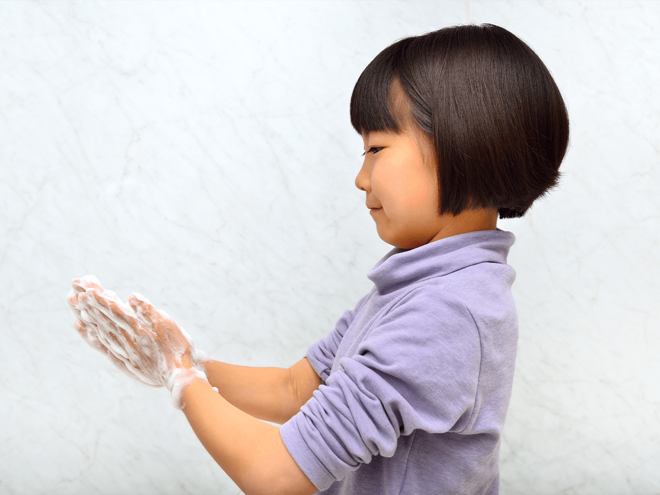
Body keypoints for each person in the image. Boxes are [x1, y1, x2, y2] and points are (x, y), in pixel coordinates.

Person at [67, 23, 569, 495]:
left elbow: (276, 475)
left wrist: (182, 380)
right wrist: (194, 362)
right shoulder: (419, 289)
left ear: (464, 146)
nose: (361, 177)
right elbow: (294, 389)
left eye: (376, 148)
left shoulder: (447, 314)